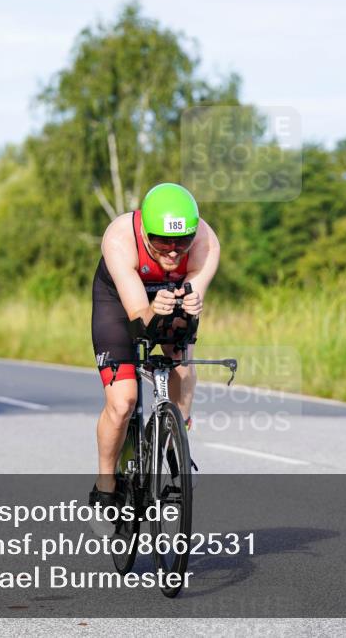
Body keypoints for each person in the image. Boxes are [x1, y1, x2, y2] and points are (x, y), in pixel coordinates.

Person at [89, 183, 220, 510]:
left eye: (182, 242)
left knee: (182, 362)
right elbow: (137, 317)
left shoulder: (206, 241)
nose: (174, 252)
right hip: (120, 305)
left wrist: (189, 309)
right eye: (162, 241)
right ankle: (105, 484)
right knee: (123, 402)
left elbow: (192, 300)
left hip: (169, 297)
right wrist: (152, 309)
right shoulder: (119, 238)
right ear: (146, 232)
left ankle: (178, 444)